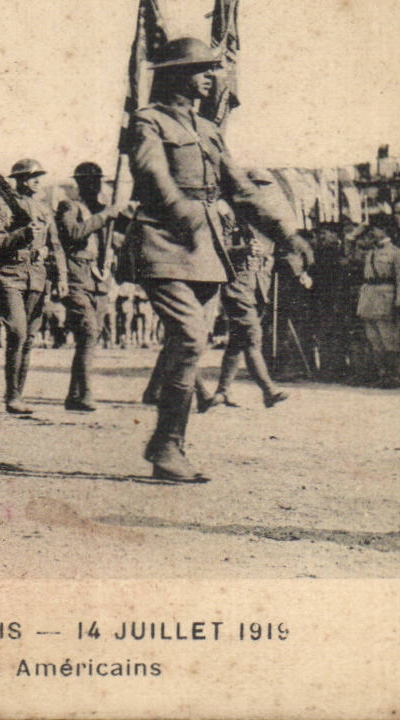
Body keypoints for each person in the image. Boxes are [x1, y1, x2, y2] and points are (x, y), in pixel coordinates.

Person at [124, 38, 312, 482]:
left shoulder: (209, 130)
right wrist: (179, 209)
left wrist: (287, 233)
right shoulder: (147, 121)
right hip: (163, 242)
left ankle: (170, 446)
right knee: (190, 337)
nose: (213, 76)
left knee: (191, 344)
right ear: (175, 75)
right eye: (203, 69)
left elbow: (241, 191)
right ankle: (166, 445)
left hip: (207, 250)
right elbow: (151, 171)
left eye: (214, 69)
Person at [0, 158, 66, 415]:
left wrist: (62, 277)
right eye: (33, 177)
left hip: (37, 277)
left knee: (29, 338)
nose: (38, 182)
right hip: (11, 275)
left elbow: (56, 247)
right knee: (17, 333)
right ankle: (12, 395)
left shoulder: (44, 210)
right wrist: (22, 234)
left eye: (39, 177)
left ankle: (17, 396)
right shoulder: (3, 207)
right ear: (19, 180)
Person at [55, 161, 130, 411]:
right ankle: (86, 393)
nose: (93, 185)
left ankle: (74, 395)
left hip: (99, 280)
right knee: (87, 331)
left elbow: (120, 239)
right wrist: (106, 215)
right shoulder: (69, 206)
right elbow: (74, 233)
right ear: (79, 183)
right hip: (76, 277)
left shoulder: (105, 210)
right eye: (88, 181)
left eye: (97, 181)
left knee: (91, 336)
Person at [207, 195, 290, 409]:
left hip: (259, 288)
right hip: (237, 286)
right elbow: (216, 248)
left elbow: (276, 251)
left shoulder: (262, 223)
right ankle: (269, 390)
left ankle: (222, 391)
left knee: (238, 341)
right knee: (252, 337)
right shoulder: (226, 216)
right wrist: (243, 250)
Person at [356, 214, 400, 387]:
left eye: (377, 228)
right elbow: (351, 254)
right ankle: (381, 373)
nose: (373, 231)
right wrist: (353, 236)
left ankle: (393, 375)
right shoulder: (371, 251)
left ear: (385, 230)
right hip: (369, 296)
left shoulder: (396, 253)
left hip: (385, 297)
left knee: (388, 338)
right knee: (373, 339)